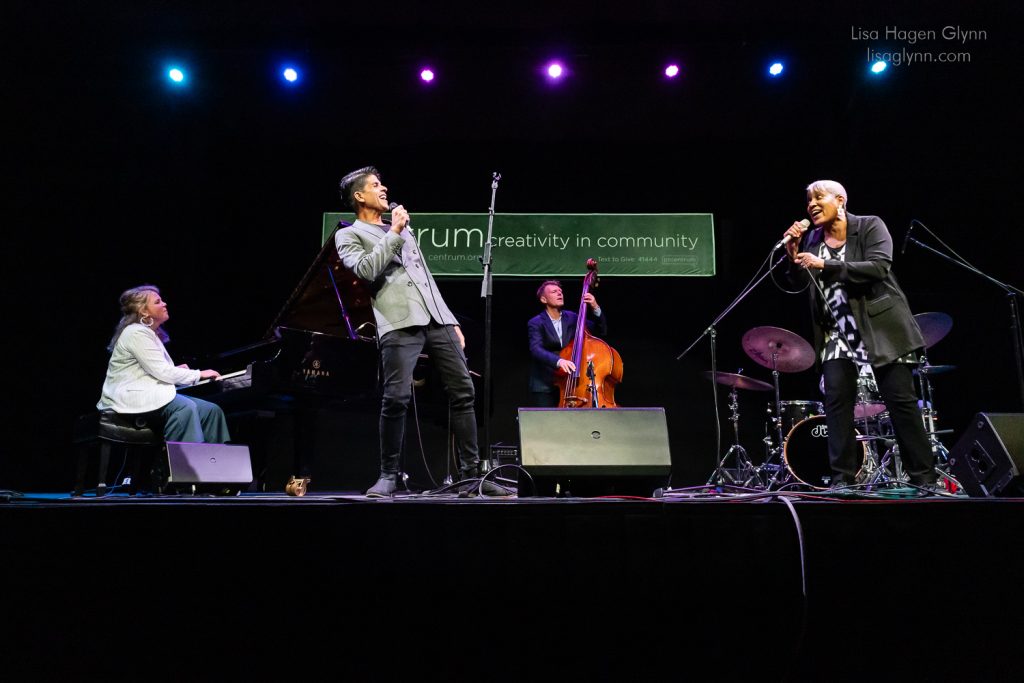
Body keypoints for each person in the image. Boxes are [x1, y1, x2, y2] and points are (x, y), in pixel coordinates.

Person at [335, 166, 507, 497]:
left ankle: (471, 477)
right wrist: (395, 230)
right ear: (359, 196)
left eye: (382, 183)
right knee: (396, 398)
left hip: (436, 318)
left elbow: (424, 278)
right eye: (375, 185)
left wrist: (450, 318)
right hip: (397, 321)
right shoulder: (349, 234)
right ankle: (388, 475)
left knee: (464, 391)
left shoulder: (401, 231)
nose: (383, 188)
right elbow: (367, 270)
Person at [783, 180, 937, 491]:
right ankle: (842, 481)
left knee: (901, 403)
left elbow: (878, 267)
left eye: (818, 197)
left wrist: (824, 263)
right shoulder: (812, 238)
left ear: (840, 200)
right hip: (836, 333)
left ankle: (924, 479)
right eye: (808, 200)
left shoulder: (869, 226)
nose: (811, 204)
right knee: (836, 404)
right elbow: (800, 280)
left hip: (881, 328)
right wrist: (792, 253)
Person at [97, 285, 230, 444]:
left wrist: (174, 371)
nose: (164, 304)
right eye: (158, 302)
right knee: (184, 408)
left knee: (211, 411)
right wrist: (198, 374)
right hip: (130, 398)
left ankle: (217, 465)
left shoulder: (148, 334)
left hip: (148, 393)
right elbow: (162, 372)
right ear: (144, 312)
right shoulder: (136, 332)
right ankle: (182, 466)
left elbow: (153, 370)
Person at [527, 280, 608, 407]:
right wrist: (559, 361)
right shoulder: (536, 322)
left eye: (560, 291)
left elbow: (599, 330)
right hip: (545, 383)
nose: (560, 294)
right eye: (554, 292)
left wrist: (595, 307)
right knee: (547, 424)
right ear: (544, 299)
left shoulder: (573, 317)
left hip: (569, 383)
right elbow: (536, 349)